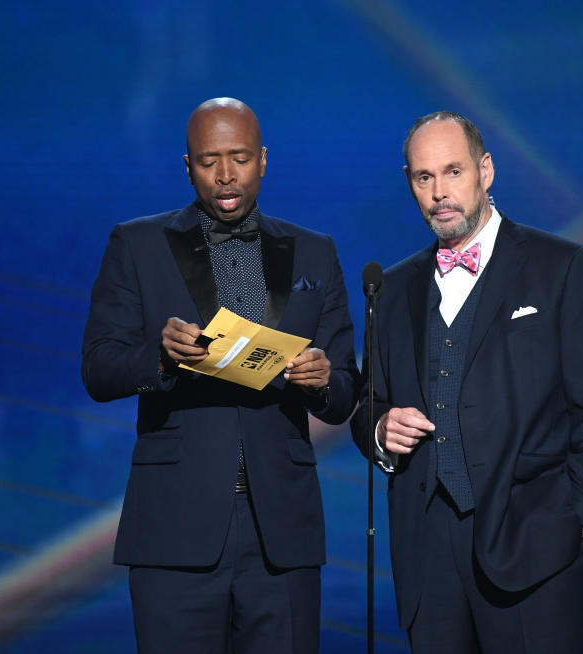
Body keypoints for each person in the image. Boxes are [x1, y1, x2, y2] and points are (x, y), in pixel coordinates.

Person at [82, 97, 358, 653]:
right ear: (187, 166)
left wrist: (323, 379)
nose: (226, 175)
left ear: (263, 160)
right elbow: (99, 369)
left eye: (239, 158)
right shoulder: (136, 245)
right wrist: (159, 358)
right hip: (173, 528)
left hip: (280, 530)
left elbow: (345, 393)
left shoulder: (315, 253)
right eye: (210, 161)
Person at [350, 111, 583, 653]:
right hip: (428, 557)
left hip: (538, 548)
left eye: (453, 172)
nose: (440, 192)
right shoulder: (391, 289)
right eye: (423, 177)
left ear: (486, 171)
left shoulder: (564, 269)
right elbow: (369, 406)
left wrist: (577, 527)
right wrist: (382, 428)